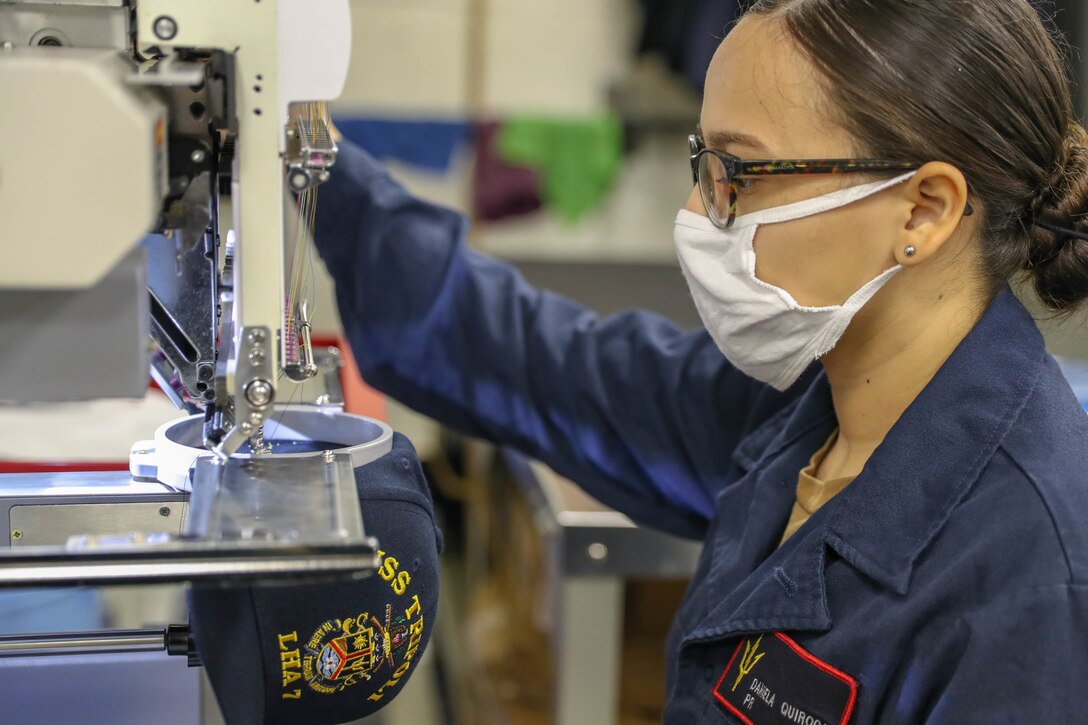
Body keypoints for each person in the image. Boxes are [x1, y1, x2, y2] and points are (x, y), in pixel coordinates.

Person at [314, 0, 1088, 721]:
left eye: (739, 176)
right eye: (703, 166)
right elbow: (551, 366)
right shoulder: (812, 403)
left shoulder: (1031, 581)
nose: (698, 215)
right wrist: (309, 156)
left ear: (924, 208)